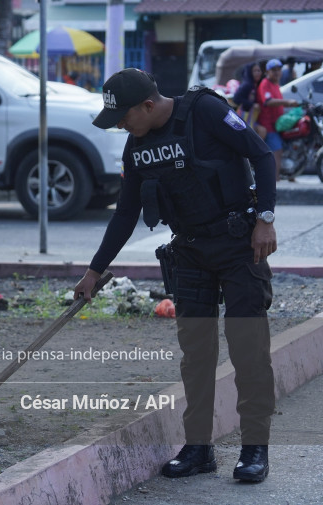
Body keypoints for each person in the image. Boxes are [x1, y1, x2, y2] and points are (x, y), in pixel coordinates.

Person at [75, 69, 277, 484]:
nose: (121, 127)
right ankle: (198, 449)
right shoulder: (137, 146)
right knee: (196, 356)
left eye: (124, 117)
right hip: (189, 253)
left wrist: (266, 219)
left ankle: (255, 449)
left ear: (148, 105)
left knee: (248, 350)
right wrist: (94, 271)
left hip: (239, 245)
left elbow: (261, 155)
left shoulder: (205, 111)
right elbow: (127, 213)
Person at [257, 58, 300, 181]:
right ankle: (275, 183)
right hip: (269, 125)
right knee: (277, 152)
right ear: (267, 72)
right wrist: (288, 102)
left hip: (278, 124)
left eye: (278, 70)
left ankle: (291, 175)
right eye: (273, 70)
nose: (276, 72)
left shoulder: (276, 84)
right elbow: (268, 102)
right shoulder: (265, 83)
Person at [231, 63, 267, 139]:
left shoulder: (255, 85)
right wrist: (252, 105)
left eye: (259, 70)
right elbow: (236, 99)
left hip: (251, 118)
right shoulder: (247, 85)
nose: (258, 73)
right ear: (249, 72)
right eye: (255, 71)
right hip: (244, 117)